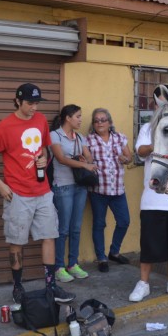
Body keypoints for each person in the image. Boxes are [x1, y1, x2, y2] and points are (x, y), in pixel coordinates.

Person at [0, 84, 75, 305]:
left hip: (43, 191)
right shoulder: (5, 127)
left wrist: (43, 156)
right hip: (17, 194)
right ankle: (18, 286)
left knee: (49, 236)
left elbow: (45, 148)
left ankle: (51, 285)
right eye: (30, 103)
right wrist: (0, 185)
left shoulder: (40, 120)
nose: (34, 107)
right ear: (17, 101)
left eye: (37, 103)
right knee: (16, 241)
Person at [129, 85, 168, 302]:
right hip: (153, 197)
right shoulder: (148, 128)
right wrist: (160, 140)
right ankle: (143, 283)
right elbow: (140, 151)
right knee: (149, 244)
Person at [49, 104, 96, 283]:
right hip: (63, 186)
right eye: (77, 116)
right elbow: (60, 159)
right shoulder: (54, 135)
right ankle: (59, 266)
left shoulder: (79, 137)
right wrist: (84, 165)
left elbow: (89, 157)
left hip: (79, 186)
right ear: (67, 118)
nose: (80, 120)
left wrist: (86, 159)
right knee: (63, 229)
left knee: (76, 228)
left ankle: (73, 263)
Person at [86, 107, 133, 273]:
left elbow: (129, 157)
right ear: (93, 124)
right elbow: (85, 160)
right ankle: (101, 257)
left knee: (124, 221)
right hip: (98, 190)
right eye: (96, 120)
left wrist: (125, 159)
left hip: (118, 190)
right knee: (99, 224)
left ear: (109, 122)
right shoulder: (89, 140)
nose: (99, 123)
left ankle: (114, 251)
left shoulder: (119, 137)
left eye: (103, 120)